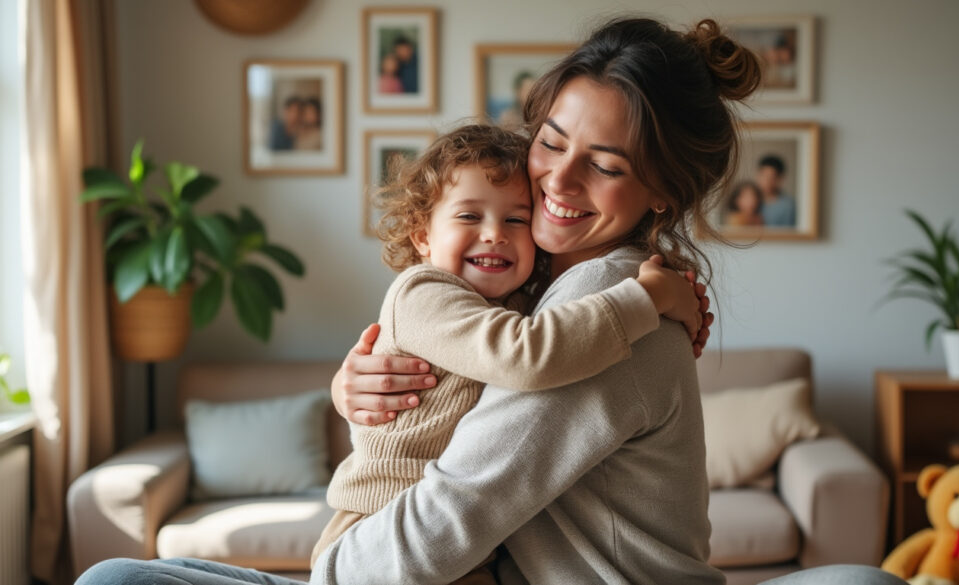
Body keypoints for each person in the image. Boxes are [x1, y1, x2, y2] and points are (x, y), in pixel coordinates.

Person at [76, 17, 906, 585]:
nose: (557, 181)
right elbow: (456, 375)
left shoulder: (599, 306)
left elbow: (452, 513)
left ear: (661, 192)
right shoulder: (554, 284)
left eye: (606, 165)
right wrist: (353, 387)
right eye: (550, 142)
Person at [309, 123, 702, 584]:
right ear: (422, 237)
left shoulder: (516, 303)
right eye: (469, 217)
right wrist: (647, 300)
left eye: (515, 220)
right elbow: (527, 354)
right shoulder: (422, 292)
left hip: (460, 550)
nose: (494, 234)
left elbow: (558, 337)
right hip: (379, 525)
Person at [756, 154, 797, 227]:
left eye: (771, 177)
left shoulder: (788, 206)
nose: (766, 181)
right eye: (763, 176)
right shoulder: (751, 201)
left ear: (780, 178)